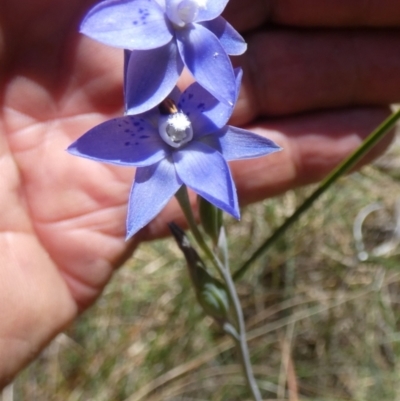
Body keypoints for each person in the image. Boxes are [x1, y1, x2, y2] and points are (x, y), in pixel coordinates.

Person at [0, 0, 399, 388]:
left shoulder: (203, 38)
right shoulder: (146, 37)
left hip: (195, 151)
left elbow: (225, 70)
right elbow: (140, 100)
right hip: (163, 155)